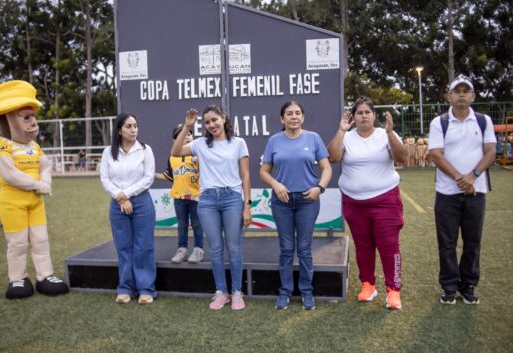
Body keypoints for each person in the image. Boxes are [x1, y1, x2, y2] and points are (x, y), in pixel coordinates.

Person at [0, 80, 69, 299]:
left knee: (41, 239)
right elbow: (9, 174)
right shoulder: (2, 145)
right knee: (18, 243)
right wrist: (38, 184)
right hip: (12, 202)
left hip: (35, 202)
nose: (33, 122)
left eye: (33, 117)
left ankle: (45, 276)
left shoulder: (34, 146)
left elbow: (46, 165)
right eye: (26, 117)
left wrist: (46, 182)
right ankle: (17, 278)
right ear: (9, 119)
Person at [328, 96, 408, 310]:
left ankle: (393, 290)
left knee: (389, 246)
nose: (363, 116)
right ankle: (368, 285)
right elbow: (333, 157)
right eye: (359, 113)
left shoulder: (385, 134)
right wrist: (341, 130)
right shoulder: (347, 136)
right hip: (354, 203)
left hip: (385, 201)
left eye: (367, 112)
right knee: (363, 246)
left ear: (374, 115)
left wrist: (391, 133)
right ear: (353, 117)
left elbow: (402, 157)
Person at [171, 105, 252, 311]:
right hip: (206, 200)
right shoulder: (199, 144)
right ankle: (220, 292)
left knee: (234, 247)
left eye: (214, 120)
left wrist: (247, 206)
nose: (212, 125)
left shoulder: (238, 143)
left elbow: (245, 176)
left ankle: (236, 292)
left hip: (232, 198)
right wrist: (187, 127)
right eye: (207, 122)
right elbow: (176, 151)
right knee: (215, 249)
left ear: (223, 118)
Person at [428, 75, 496, 305]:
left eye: (466, 91)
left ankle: (468, 285)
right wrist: (460, 178)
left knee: (472, 241)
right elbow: (436, 154)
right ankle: (448, 286)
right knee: (446, 242)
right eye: (457, 91)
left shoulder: (483, 121)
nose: (461, 94)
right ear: (449, 96)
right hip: (447, 193)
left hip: (476, 193)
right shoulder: (440, 122)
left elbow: (490, 152)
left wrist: (473, 176)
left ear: (473, 96)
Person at [259, 101, 332, 310]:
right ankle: (285, 292)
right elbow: (263, 171)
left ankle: (307, 292)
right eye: (289, 114)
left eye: (297, 113)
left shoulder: (314, 138)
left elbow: (326, 168)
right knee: (287, 248)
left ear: (303, 117)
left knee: (304, 249)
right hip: (281, 201)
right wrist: (276, 184)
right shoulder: (274, 141)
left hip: (308, 200)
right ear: (282, 119)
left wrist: (320, 188)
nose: (294, 116)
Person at [100, 112, 157, 304]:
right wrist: (120, 197)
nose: (134, 130)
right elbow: (105, 179)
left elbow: (148, 178)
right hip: (117, 204)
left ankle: (146, 289)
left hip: (141, 202)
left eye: (135, 125)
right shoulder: (108, 152)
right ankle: (125, 288)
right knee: (123, 247)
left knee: (144, 247)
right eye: (129, 126)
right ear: (119, 130)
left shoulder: (145, 150)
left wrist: (127, 194)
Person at [155, 123, 204, 264]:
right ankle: (182, 250)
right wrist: (152, 175)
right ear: (175, 140)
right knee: (182, 224)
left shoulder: (198, 154)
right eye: (183, 134)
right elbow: (168, 176)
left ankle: (198, 250)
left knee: (197, 224)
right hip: (179, 197)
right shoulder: (172, 157)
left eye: (189, 133)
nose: (187, 136)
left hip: (196, 196)